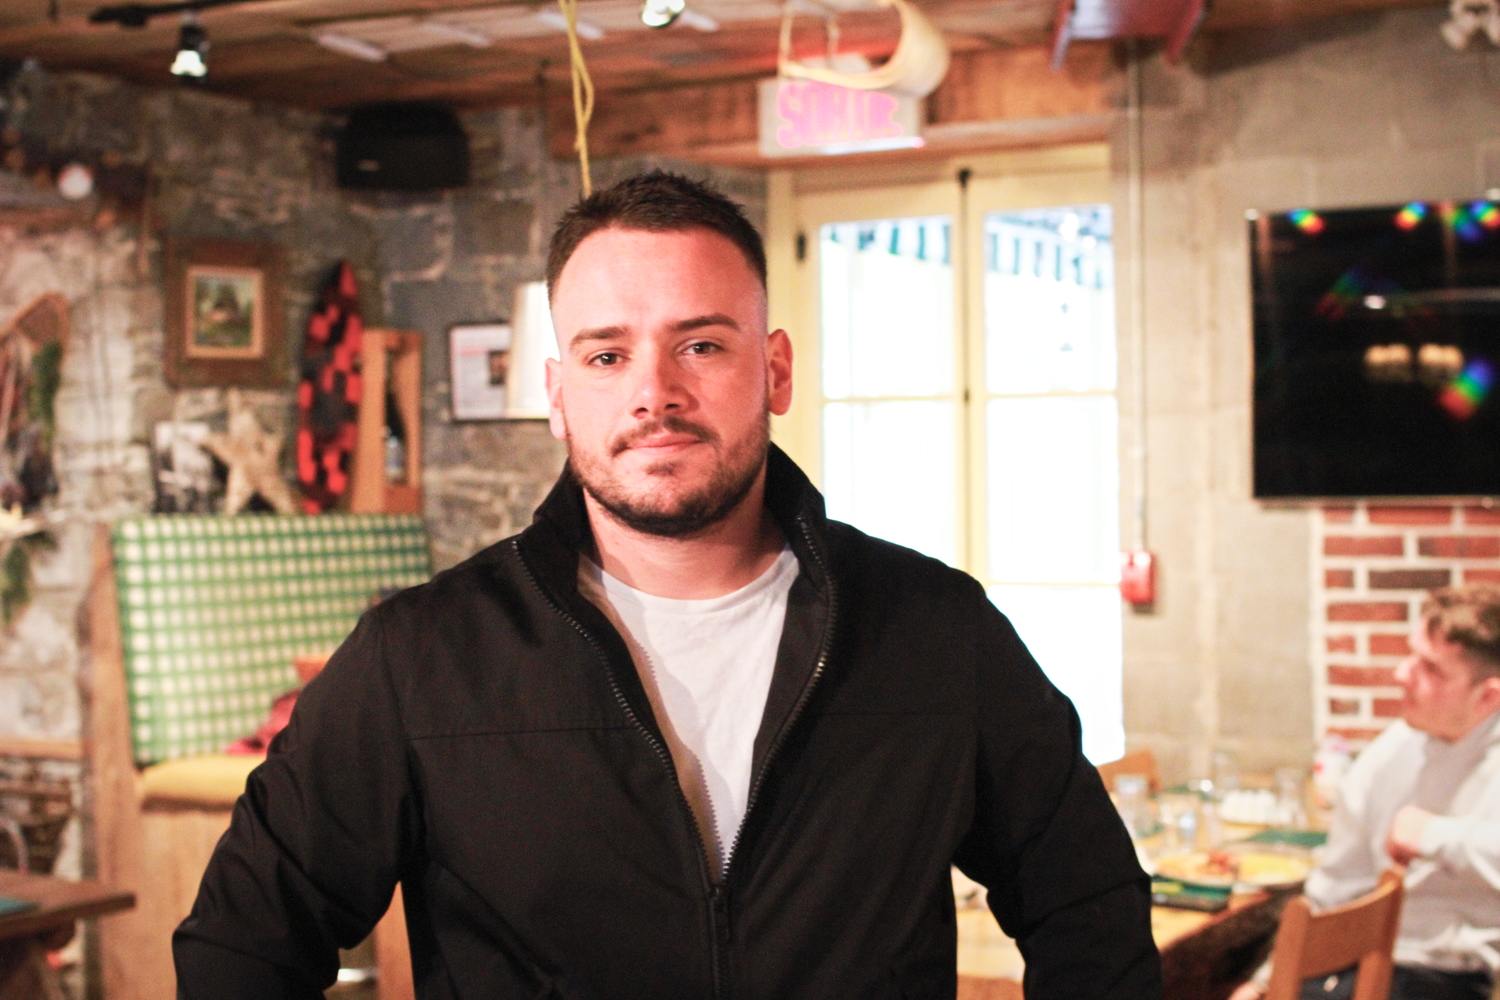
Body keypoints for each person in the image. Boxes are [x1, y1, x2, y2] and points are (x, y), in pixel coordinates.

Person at [173, 172, 1160, 999]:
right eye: (608, 354)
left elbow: (1090, 907)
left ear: (772, 370)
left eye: (701, 344)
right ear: (558, 395)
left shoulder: (937, 630)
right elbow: (243, 943)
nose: (655, 393)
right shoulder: (421, 656)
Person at [1231, 585, 1500, 1000]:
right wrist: (1266, 981)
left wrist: (1434, 836)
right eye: (1411, 655)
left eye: (1431, 669)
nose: (1401, 674)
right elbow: (1334, 886)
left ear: (1488, 698)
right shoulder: (1392, 751)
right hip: (1364, 963)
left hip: (1460, 976)